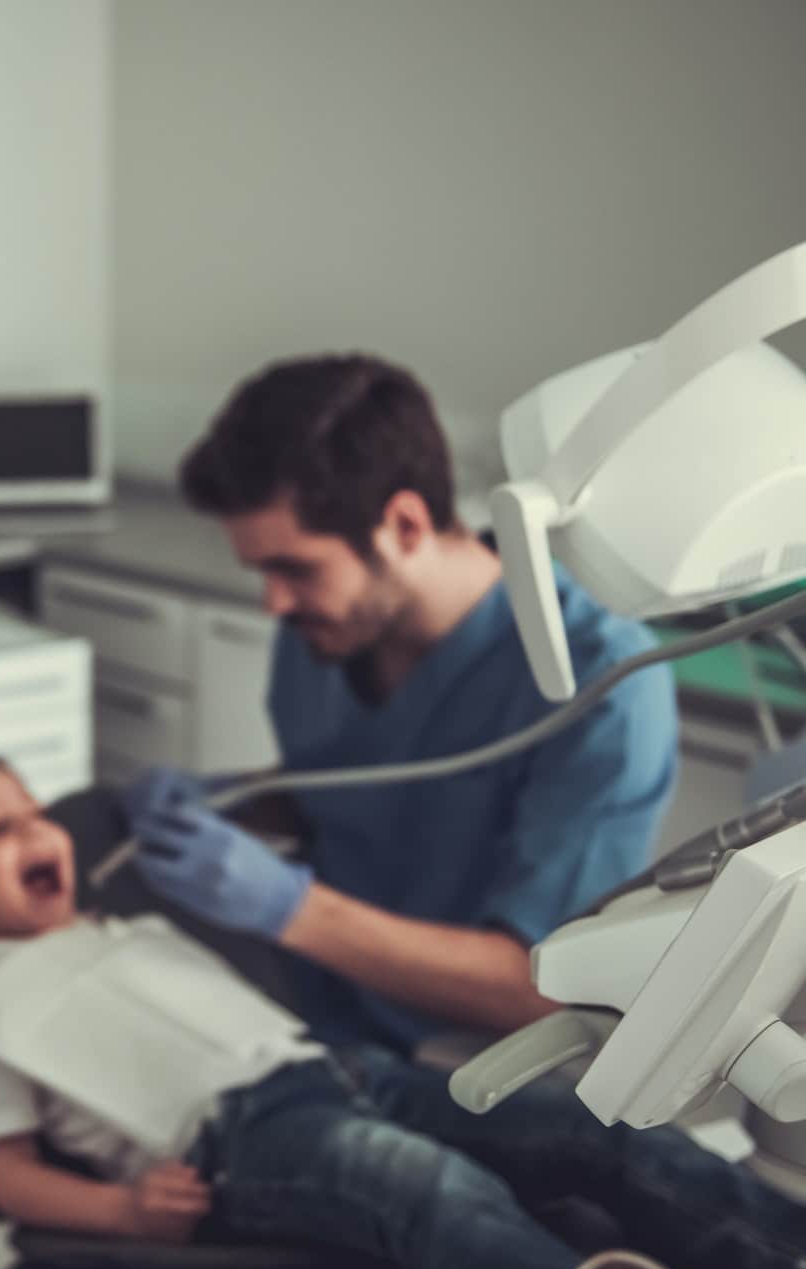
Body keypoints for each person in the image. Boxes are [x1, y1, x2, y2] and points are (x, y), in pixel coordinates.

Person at [0, 748, 803, 1269]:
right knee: (422, 1184)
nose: (37, 829)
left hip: (343, 1066)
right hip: (237, 1142)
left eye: (34, 810)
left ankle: (786, 1256)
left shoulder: (121, 928)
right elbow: (5, 1174)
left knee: (589, 1124)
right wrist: (124, 1213)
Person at [124, 354, 680, 1052]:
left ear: (406, 525)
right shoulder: (325, 628)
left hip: (465, 1052)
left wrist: (289, 907)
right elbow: (361, 790)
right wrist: (232, 800)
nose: (272, 602)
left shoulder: (603, 683)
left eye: (293, 567)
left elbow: (544, 989)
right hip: (313, 998)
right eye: (260, 571)